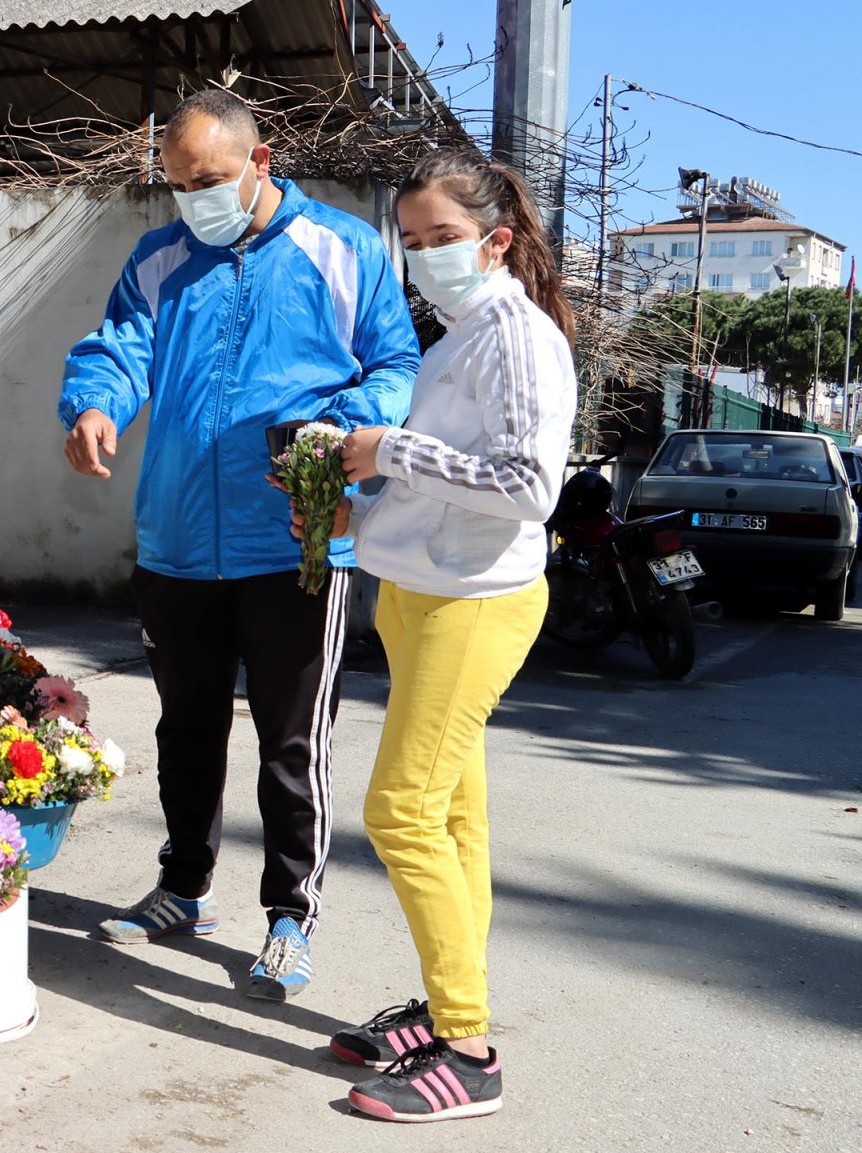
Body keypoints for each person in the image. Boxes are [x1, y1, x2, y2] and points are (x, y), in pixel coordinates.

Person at [58, 88, 420, 1000]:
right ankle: (185, 885)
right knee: (187, 731)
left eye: (210, 179)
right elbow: (118, 346)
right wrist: (94, 404)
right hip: (176, 541)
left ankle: (291, 915)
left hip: (297, 545)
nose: (194, 198)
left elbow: (395, 365)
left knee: (293, 744)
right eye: (179, 183)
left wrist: (341, 434)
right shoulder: (157, 257)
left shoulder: (343, 250)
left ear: (262, 161)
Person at [314, 148, 577, 1121]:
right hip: (423, 594)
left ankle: (469, 1050)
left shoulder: (518, 337)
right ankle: (447, 1002)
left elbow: (526, 486)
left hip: (476, 605)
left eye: (445, 240)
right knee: (453, 818)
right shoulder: (460, 334)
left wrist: (391, 449)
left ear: (496, 240)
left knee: (402, 814)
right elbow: (442, 484)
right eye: (414, 242)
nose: (426, 257)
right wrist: (359, 512)